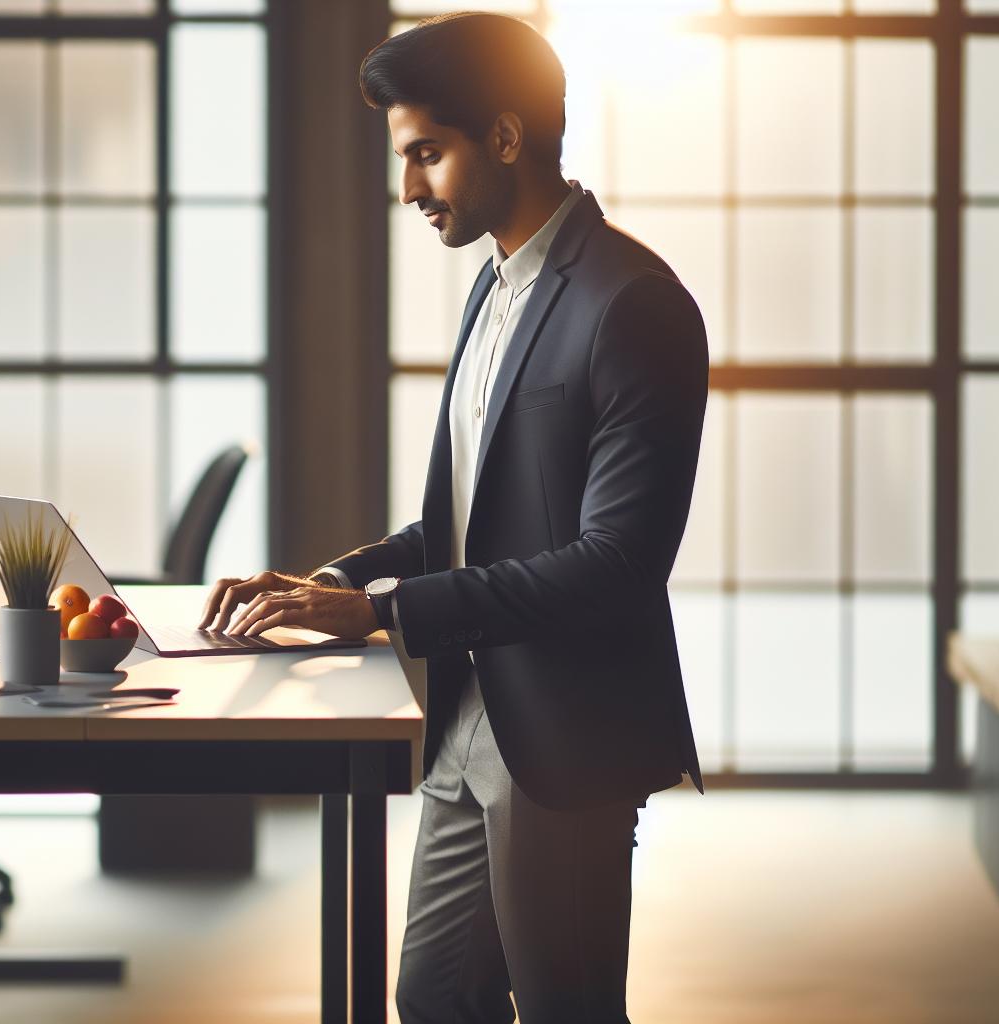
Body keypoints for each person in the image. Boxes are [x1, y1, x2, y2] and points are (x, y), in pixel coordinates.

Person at [197, 14, 708, 1023]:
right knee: (433, 999)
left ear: (507, 138)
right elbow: (477, 518)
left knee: (569, 1008)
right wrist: (337, 582)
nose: (408, 190)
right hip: (470, 710)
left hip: (566, 733)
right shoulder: (494, 286)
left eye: (426, 154)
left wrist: (388, 617)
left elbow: (616, 563)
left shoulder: (632, 303)